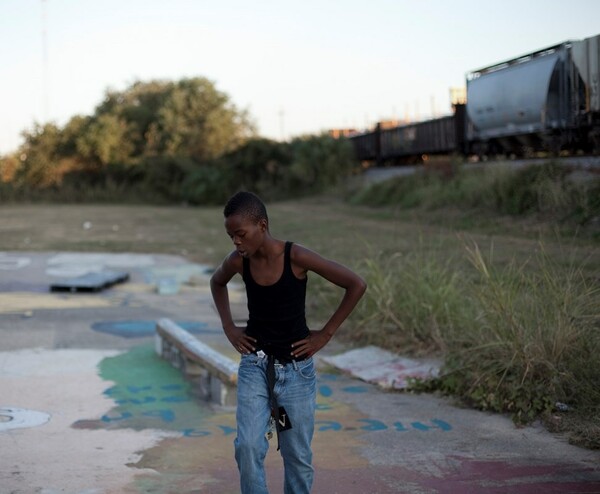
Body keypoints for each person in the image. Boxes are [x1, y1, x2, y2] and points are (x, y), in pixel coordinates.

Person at [210, 191, 367, 494]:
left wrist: (325, 334)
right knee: (248, 447)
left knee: (297, 457)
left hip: (297, 372)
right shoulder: (239, 262)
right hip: (255, 367)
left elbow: (356, 284)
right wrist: (229, 327)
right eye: (231, 237)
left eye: (241, 235)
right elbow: (217, 282)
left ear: (263, 226)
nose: (236, 243)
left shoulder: (296, 256)